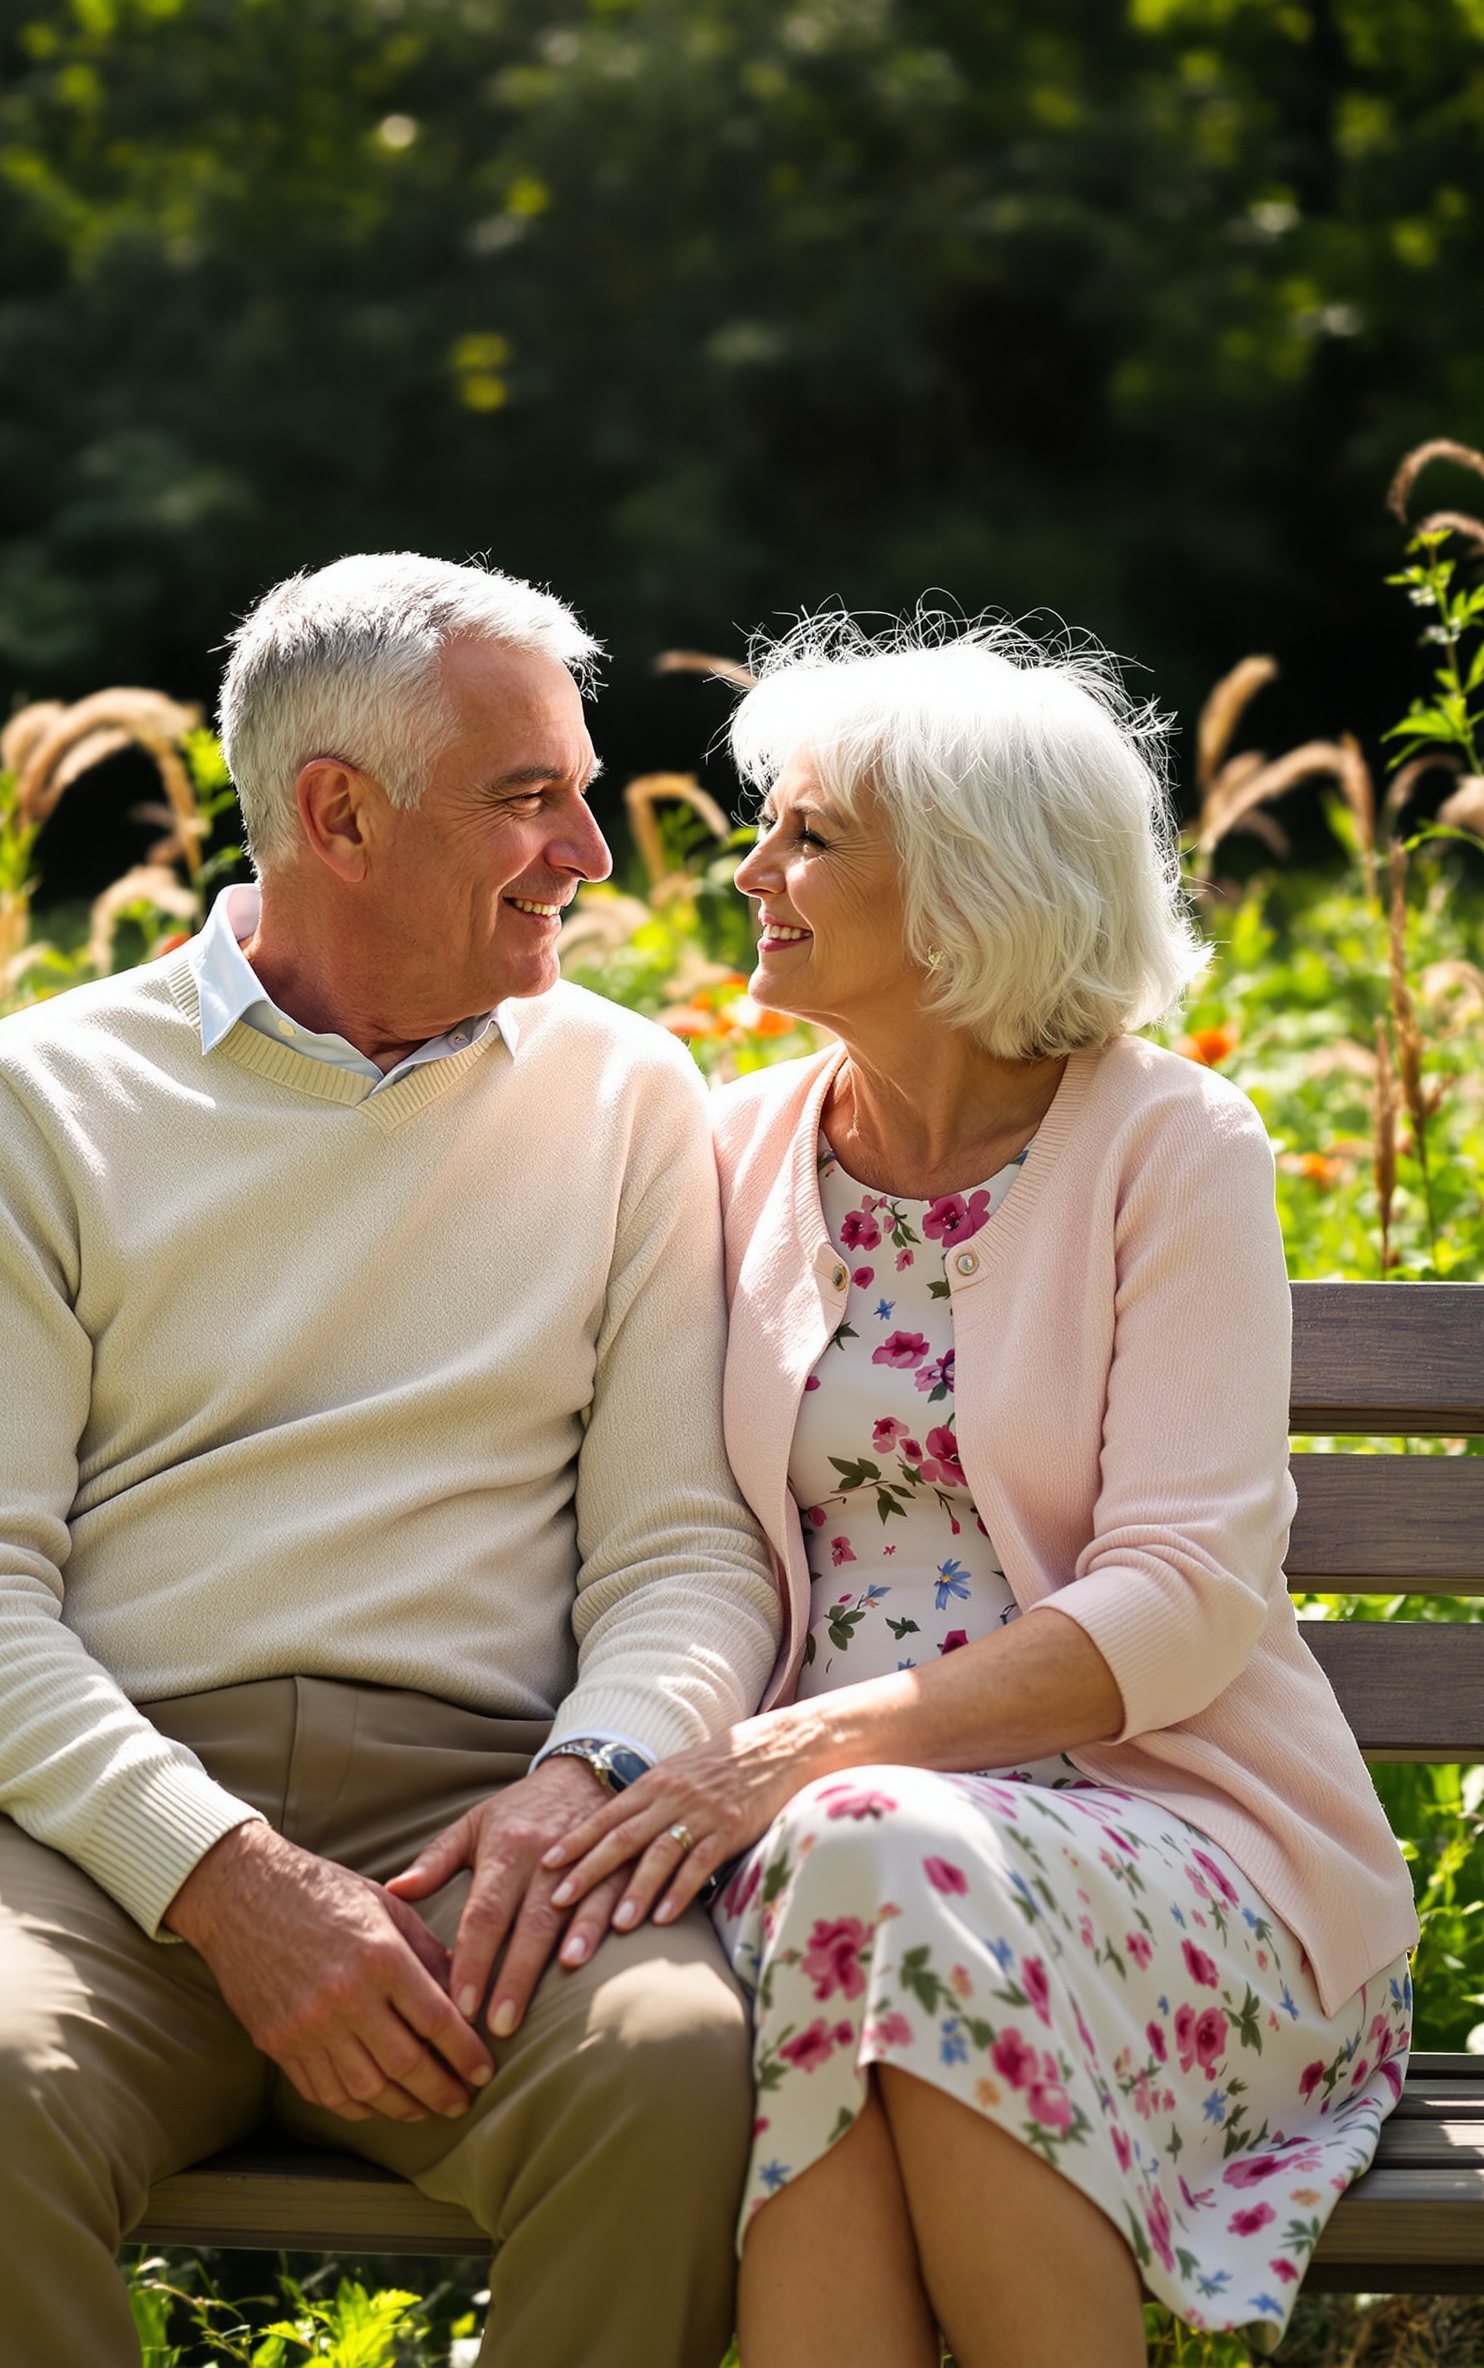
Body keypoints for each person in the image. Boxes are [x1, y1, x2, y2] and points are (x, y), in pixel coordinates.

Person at [0, 553, 784, 2368]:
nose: (591, 852)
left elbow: (684, 1552)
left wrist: (586, 1778)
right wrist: (230, 1882)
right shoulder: (37, 1101)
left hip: (479, 1821)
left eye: (581, 792)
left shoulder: (629, 1095)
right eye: (528, 798)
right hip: (78, 1829)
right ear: (339, 814)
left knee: (672, 2076)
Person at [534, 616, 1419, 2366]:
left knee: (861, 1861)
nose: (751, 870)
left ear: (968, 887)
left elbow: (1188, 1591)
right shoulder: (734, 1148)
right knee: (856, 1900)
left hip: (1180, 1861)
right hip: (820, 1867)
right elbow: (680, 1538)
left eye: (808, 836)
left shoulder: (1171, 1147)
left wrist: (806, 1752)